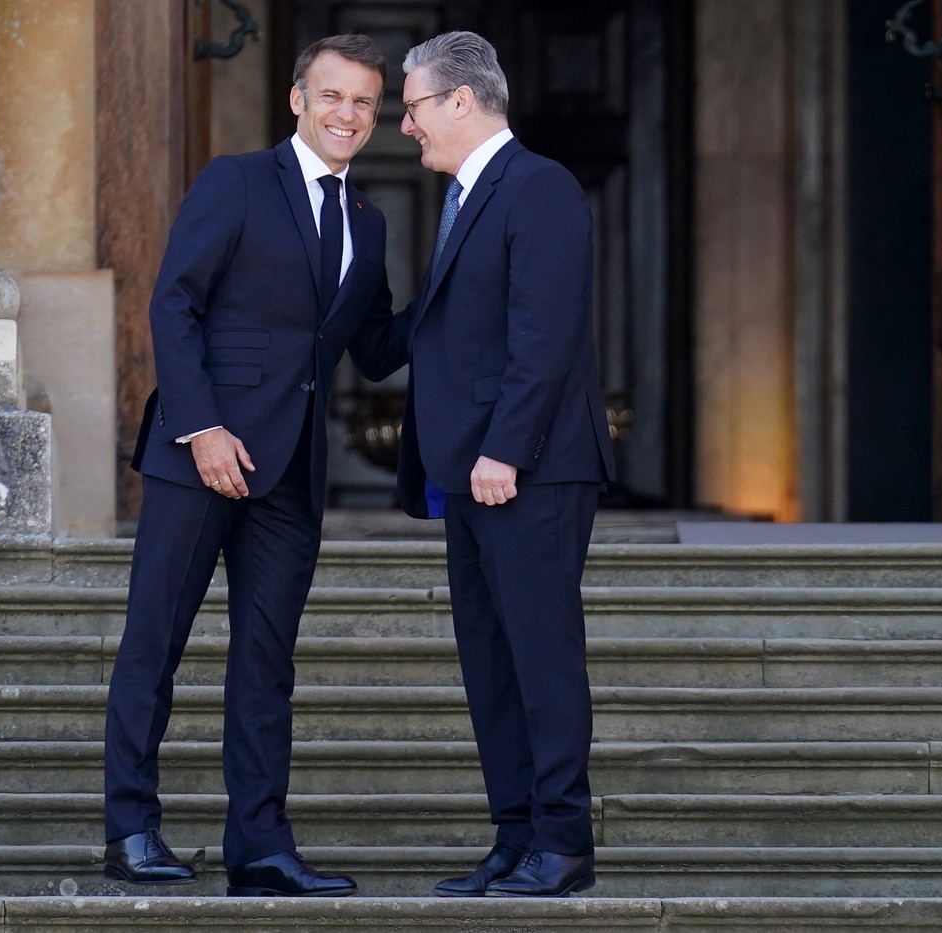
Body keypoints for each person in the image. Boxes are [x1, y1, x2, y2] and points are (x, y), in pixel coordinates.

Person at [103, 34, 403, 898]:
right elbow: (176, 302)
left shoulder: (371, 222)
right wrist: (201, 428)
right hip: (199, 455)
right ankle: (131, 828)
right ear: (298, 100)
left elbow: (375, 346)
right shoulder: (235, 181)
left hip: (290, 472)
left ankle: (260, 845)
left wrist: (460, 290)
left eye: (365, 103)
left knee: (267, 662)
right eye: (333, 97)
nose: (349, 115)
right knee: (153, 644)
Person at [393, 31, 616, 898]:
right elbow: (443, 328)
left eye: (410, 107)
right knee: (490, 660)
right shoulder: (464, 198)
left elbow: (544, 335)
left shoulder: (541, 187)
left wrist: (503, 449)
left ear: (459, 100)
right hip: (472, 472)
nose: (403, 126)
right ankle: (516, 833)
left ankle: (563, 842)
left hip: (528, 468)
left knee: (541, 654)